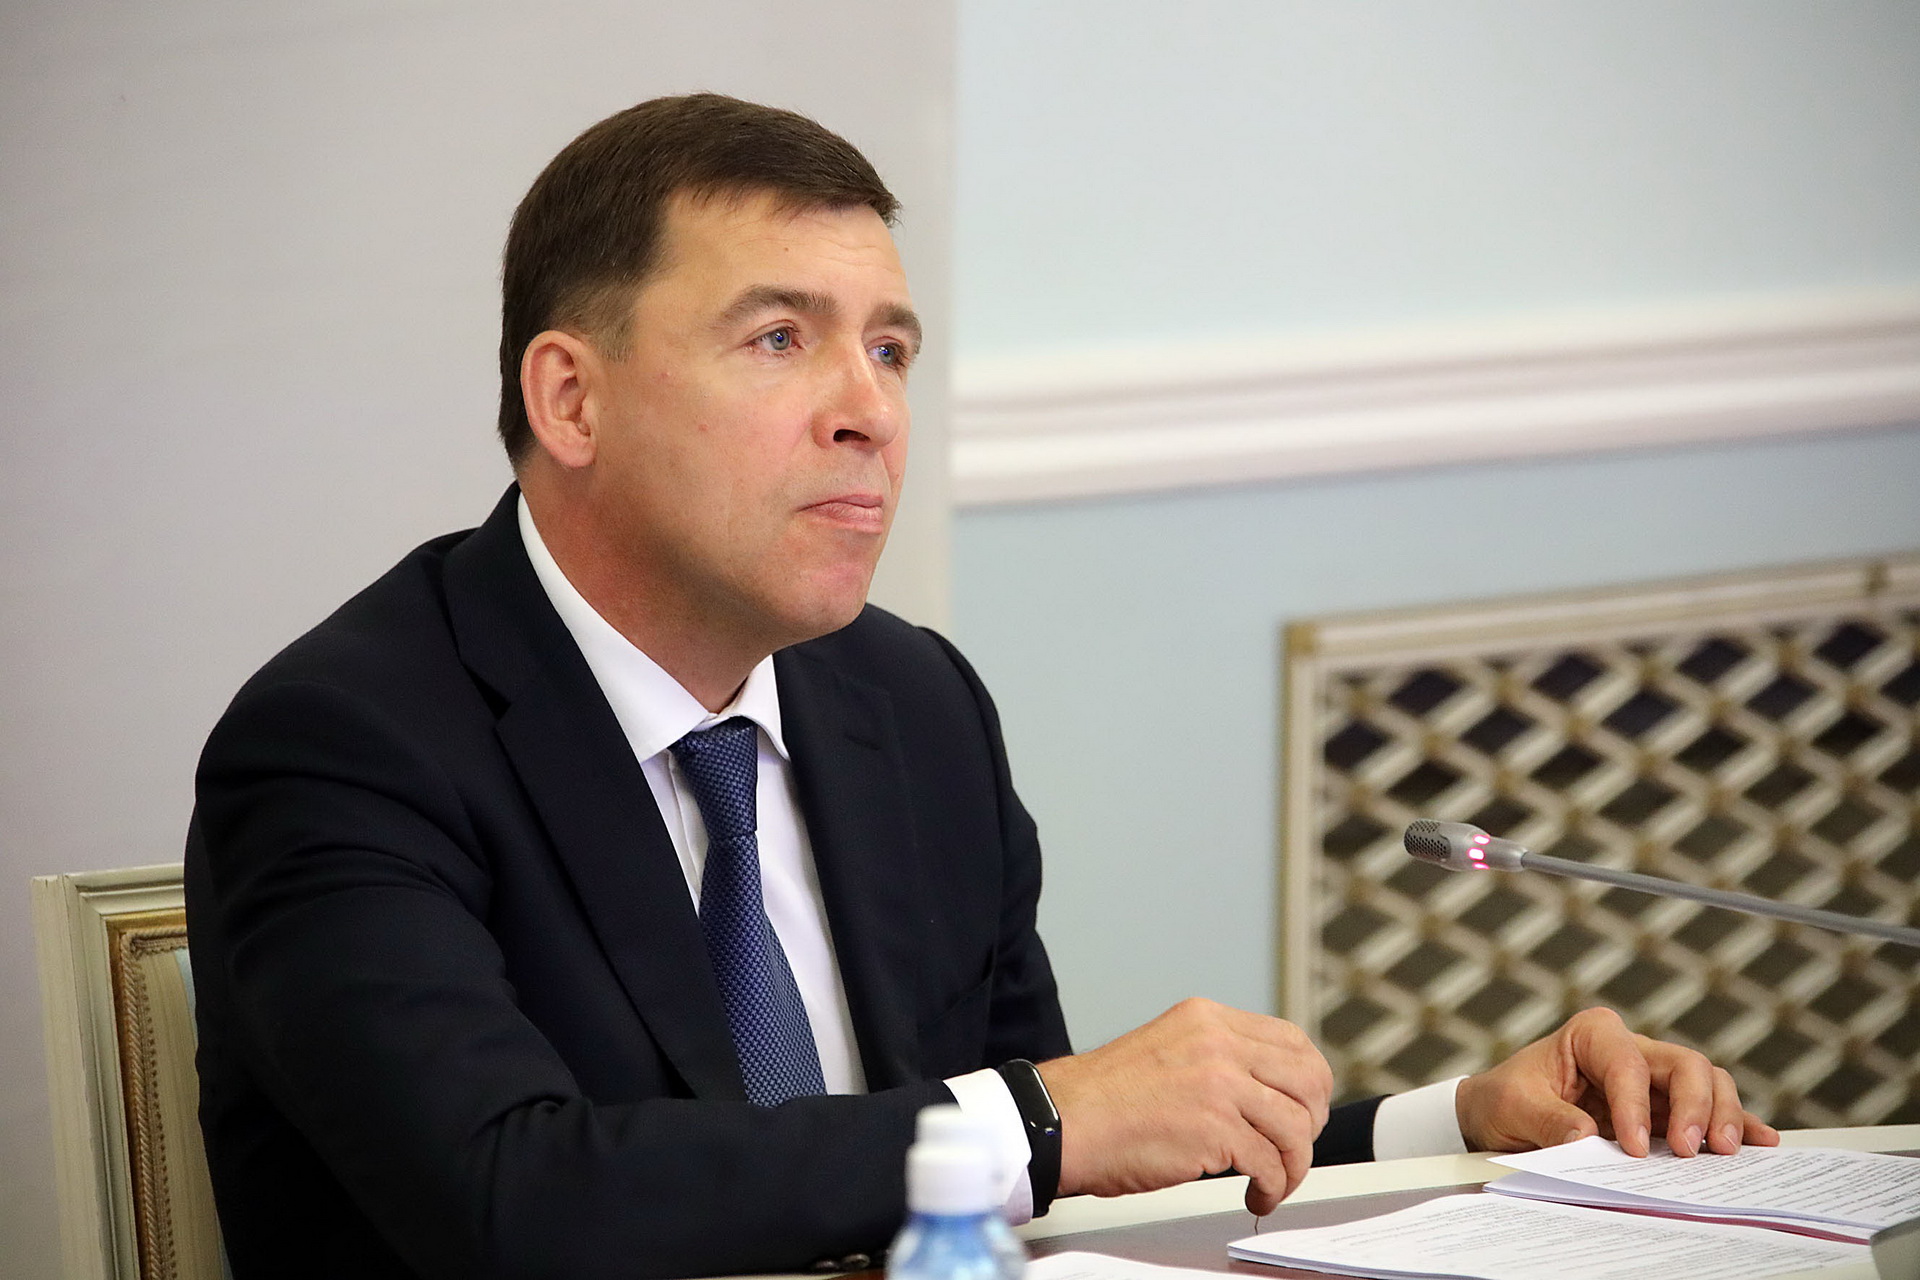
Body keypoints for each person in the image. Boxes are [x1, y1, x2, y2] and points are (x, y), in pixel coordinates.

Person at [185, 94, 1777, 1280]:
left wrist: (1454, 1125)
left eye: (890, 350)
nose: (869, 411)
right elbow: (509, 1201)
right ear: (571, 398)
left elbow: (1054, 1174)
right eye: (779, 339)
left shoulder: (907, 706)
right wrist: (1046, 1117)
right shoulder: (345, 745)